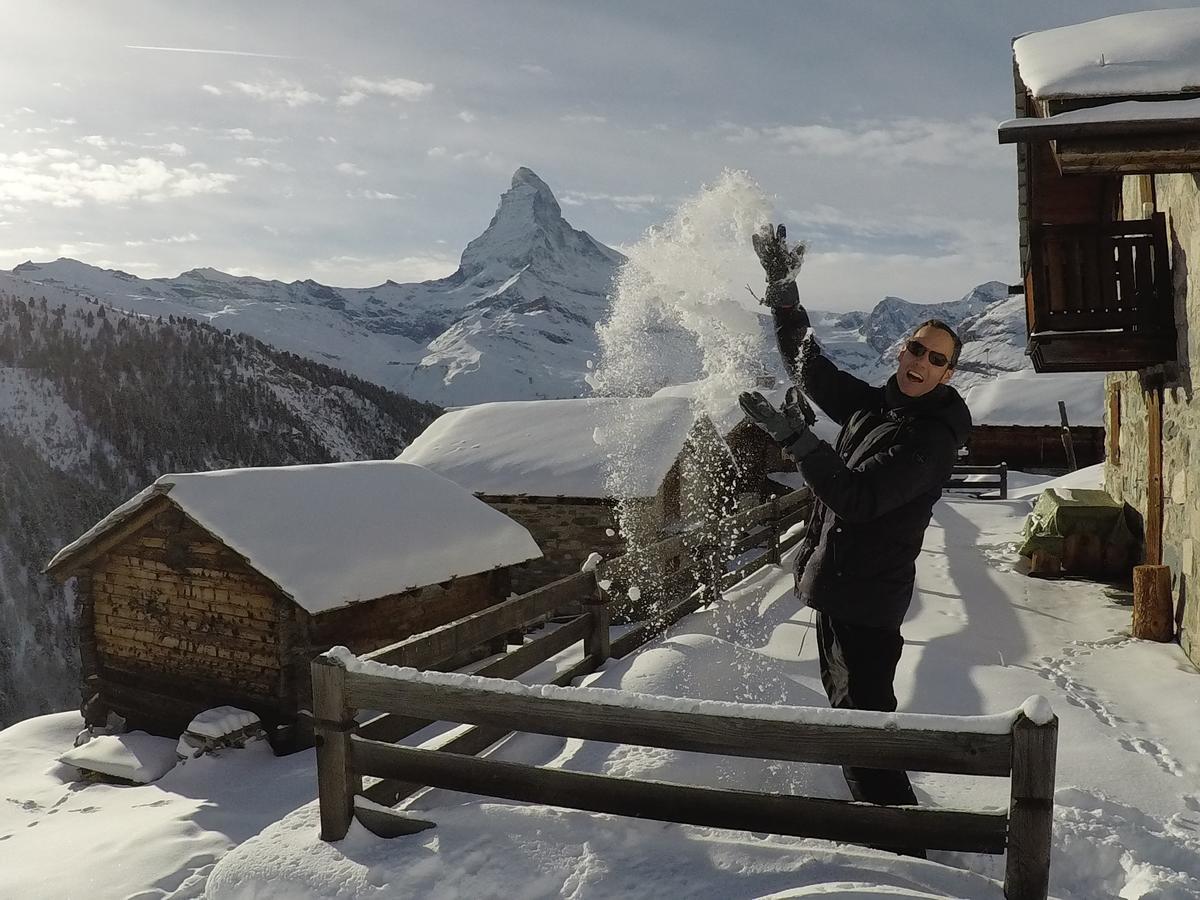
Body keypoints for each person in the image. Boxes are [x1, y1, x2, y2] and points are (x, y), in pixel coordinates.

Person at [740, 223, 972, 815]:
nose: (921, 361)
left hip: (867, 604)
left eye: (936, 358)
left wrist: (796, 439)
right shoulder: (878, 405)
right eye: (916, 348)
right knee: (854, 719)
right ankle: (895, 826)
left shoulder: (931, 439)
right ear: (902, 350)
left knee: (862, 729)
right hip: (842, 589)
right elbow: (808, 367)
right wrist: (783, 292)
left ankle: (900, 839)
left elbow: (861, 499)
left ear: (948, 374)